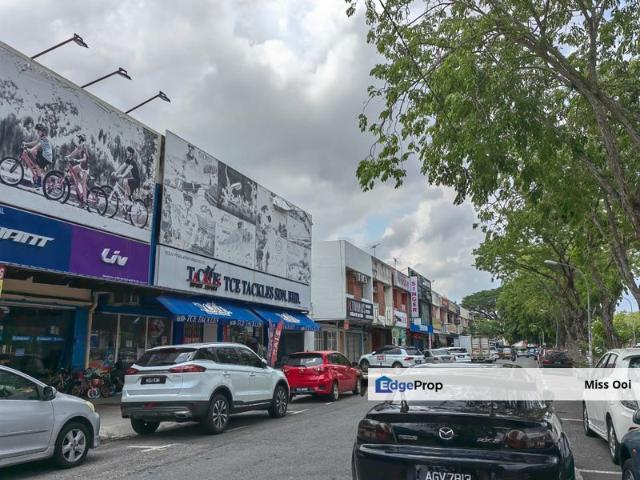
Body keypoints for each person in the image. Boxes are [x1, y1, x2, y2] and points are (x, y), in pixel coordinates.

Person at [22, 123, 52, 188]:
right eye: (37, 130)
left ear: (43, 131)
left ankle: (39, 182)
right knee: (40, 168)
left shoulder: (44, 139)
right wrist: (26, 144)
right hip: (43, 155)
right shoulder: (41, 138)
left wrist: (31, 150)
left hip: (46, 157)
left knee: (37, 165)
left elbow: (38, 145)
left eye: (39, 130)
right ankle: (40, 179)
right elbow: (35, 142)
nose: (37, 132)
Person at [65, 134, 90, 205]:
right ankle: (77, 185)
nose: (78, 140)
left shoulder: (83, 146)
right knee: (72, 171)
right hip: (81, 166)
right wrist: (67, 157)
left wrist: (77, 160)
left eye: (79, 139)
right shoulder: (79, 147)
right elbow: (73, 153)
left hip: (85, 168)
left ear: (81, 140)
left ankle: (85, 201)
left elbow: (85, 159)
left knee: (83, 184)